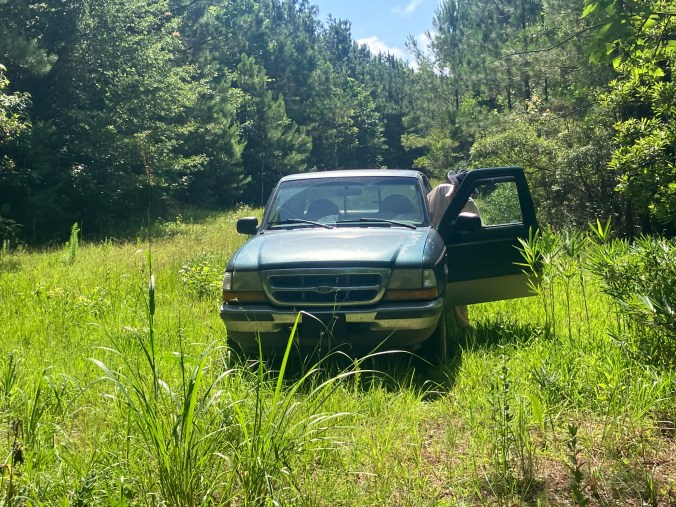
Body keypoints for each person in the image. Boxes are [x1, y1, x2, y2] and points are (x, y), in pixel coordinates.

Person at [426, 169, 480, 328]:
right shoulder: (439, 191)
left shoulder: (469, 204)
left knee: (456, 289)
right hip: (429, 245)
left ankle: (462, 327)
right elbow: (423, 212)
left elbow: (475, 228)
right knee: (430, 288)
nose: (457, 189)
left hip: (454, 247)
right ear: (453, 184)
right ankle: (435, 326)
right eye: (457, 185)